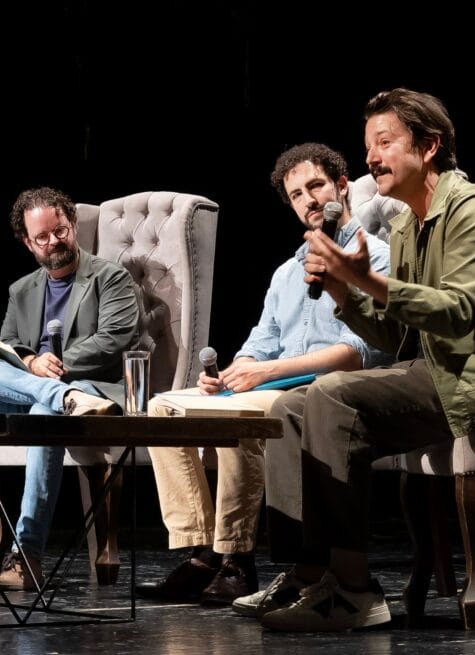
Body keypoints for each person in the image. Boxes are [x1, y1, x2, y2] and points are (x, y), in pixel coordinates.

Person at [237, 88, 475, 631]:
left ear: (430, 146)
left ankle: (354, 591)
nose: (371, 157)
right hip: (441, 370)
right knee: (288, 407)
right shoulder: (408, 224)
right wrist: (346, 292)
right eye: (368, 145)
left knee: (330, 394)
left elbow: (460, 312)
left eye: (385, 142)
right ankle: (310, 573)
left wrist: (366, 278)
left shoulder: (474, 211)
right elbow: (396, 333)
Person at [142, 143, 393, 606]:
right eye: (297, 194)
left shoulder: (373, 255)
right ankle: (203, 553)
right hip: (271, 381)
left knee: (237, 415)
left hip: (322, 393)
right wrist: (233, 370)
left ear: (341, 186)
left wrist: (271, 371)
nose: (309, 200)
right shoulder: (285, 273)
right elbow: (260, 342)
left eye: (316, 186)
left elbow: (363, 351)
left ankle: (238, 559)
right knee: (162, 408)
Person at [0, 186, 141, 590]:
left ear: (71, 225)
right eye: (42, 237)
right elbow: (9, 348)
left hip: (92, 389)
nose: (54, 242)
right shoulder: (21, 290)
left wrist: (58, 365)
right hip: (44, 391)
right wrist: (32, 364)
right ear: (27, 242)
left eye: (60, 231)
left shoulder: (110, 278)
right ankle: (57, 396)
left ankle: (27, 553)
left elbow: (115, 337)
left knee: (44, 415)